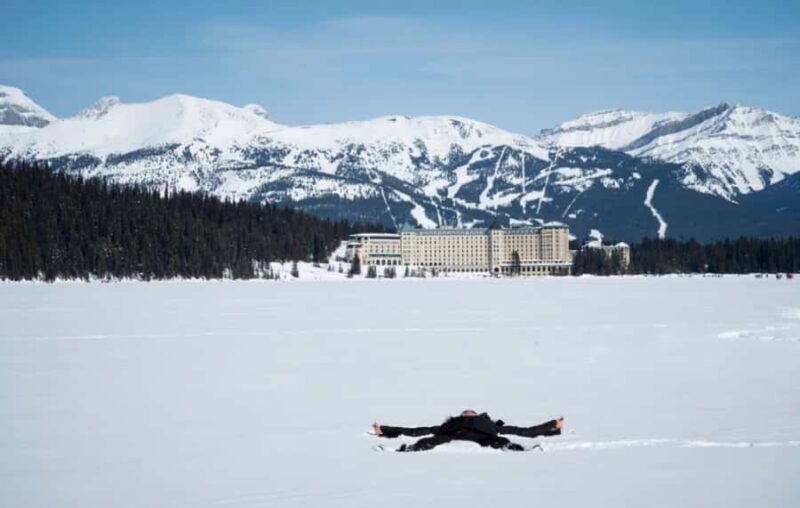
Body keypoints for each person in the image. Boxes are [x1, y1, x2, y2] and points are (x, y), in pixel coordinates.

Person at [372, 410, 564, 452]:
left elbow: (524, 431)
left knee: (500, 441)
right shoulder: (450, 424)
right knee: (427, 440)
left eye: (470, 411)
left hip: (483, 436)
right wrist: (385, 431)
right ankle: (408, 450)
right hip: (451, 435)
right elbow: (416, 431)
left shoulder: (487, 423)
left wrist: (552, 427)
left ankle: (519, 450)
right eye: (466, 412)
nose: (468, 412)